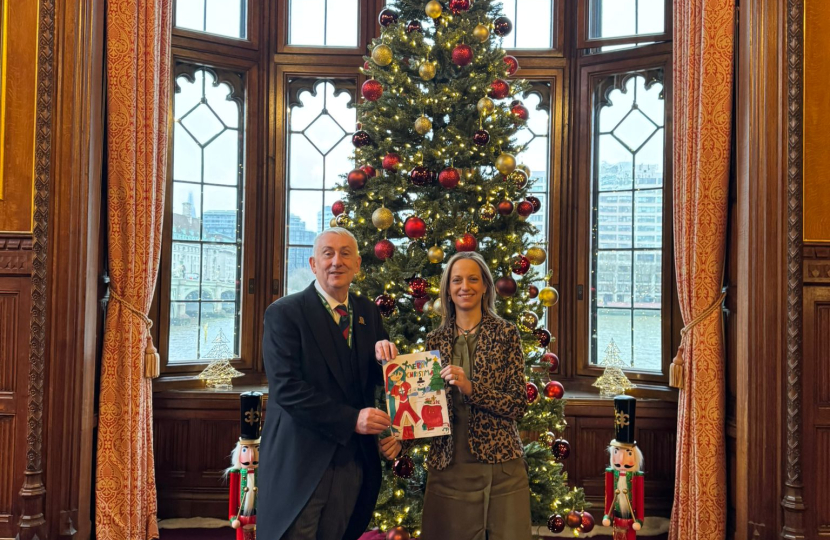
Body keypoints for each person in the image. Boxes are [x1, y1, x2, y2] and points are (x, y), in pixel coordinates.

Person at [379, 251, 531, 540]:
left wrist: (471, 388)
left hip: (501, 467)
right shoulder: (434, 340)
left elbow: (518, 404)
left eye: (473, 279)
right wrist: (402, 439)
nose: (465, 286)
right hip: (448, 466)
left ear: (485, 286)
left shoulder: (506, 334)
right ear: (448, 289)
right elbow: (427, 409)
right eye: (457, 280)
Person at [258, 228, 398, 540]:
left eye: (346, 253)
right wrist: (352, 420)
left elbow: (376, 378)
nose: (337, 261)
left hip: (352, 461)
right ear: (313, 263)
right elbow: (286, 388)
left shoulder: (366, 312)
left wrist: (384, 361)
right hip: (301, 461)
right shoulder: (284, 313)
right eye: (328, 253)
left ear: (358, 263)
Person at [602, 395, 645, 540]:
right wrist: (607, 515)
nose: (620, 459)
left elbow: (639, 499)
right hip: (616, 517)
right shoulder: (611, 474)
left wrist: (639, 520)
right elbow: (609, 495)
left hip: (631, 519)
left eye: (627, 453)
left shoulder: (636, 477)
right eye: (616, 452)